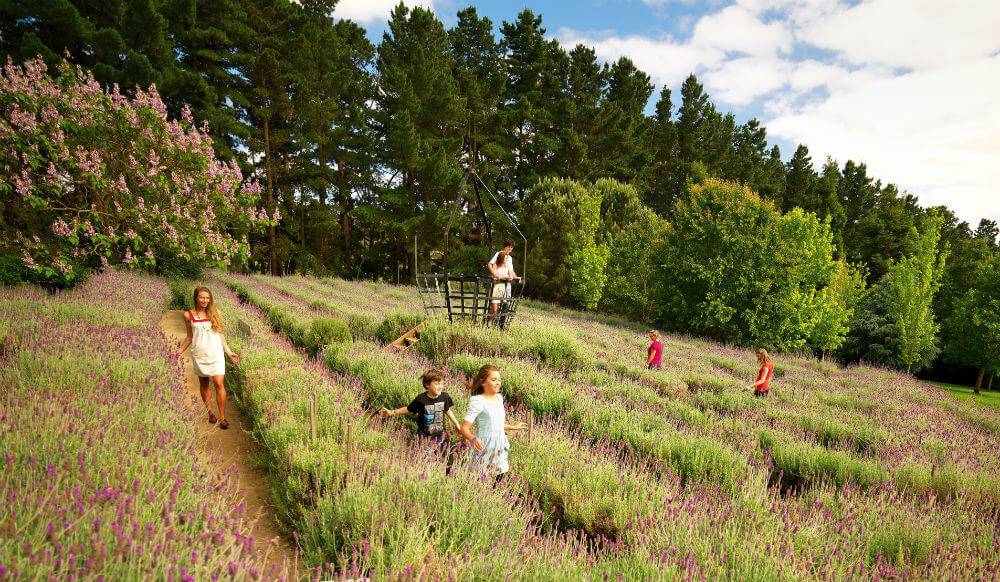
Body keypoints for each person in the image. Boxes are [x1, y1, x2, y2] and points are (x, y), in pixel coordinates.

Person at [178, 286, 240, 429]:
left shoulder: (216, 313)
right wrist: (178, 352)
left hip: (216, 353)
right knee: (204, 384)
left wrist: (228, 351)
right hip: (200, 354)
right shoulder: (188, 315)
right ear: (196, 298)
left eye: (207, 298)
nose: (205, 300)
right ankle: (210, 412)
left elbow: (220, 333)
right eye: (202, 297)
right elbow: (189, 337)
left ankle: (222, 417)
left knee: (219, 383)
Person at [458, 365, 527, 484]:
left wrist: (513, 427)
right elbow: (464, 428)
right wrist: (473, 439)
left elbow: (495, 425)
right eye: (494, 380)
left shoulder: (499, 398)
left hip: (500, 448)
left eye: (499, 379)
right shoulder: (477, 401)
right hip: (484, 449)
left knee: (500, 483)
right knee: (478, 483)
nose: (498, 383)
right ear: (483, 382)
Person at [378, 369, 460, 441]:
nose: (440, 387)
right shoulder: (421, 399)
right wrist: (391, 412)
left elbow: (447, 410)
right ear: (427, 384)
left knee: (436, 453)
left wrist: (456, 423)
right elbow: (408, 409)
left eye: (442, 384)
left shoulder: (444, 396)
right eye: (437, 384)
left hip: (438, 436)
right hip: (424, 437)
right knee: (424, 454)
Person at [486, 238, 520, 327]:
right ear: (505, 247)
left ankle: (501, 324)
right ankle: (493, 321)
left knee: (506, 303)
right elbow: (490, 264)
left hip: (507, 285)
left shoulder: (510, 258)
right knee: (496, 304)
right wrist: (494, 274)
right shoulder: (499, 254)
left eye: (511, 247)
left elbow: (511, 271)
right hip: (498, 284)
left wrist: (515, 277)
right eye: (508, 247)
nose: (510, 249)